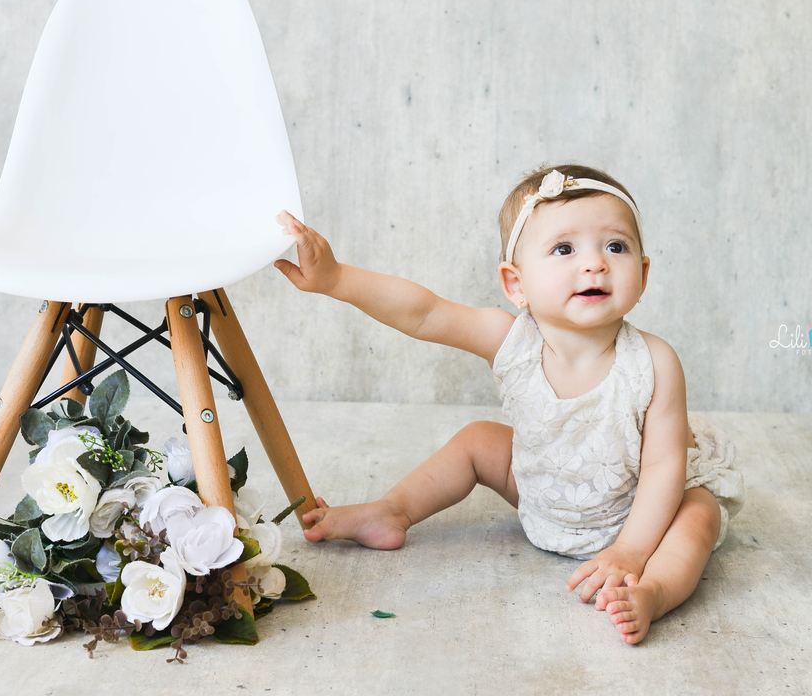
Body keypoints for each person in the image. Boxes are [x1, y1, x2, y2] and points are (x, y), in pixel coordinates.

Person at [272, 164, 744, 644]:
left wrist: (632, 550)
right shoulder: (511, 340)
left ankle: (656, 592)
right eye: (565, 249)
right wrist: (335, 279)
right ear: (515, 283)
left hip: (639, 512)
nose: (595, 263)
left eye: (615, 246)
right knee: (479, 440)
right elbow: (424, 313)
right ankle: (392, 510)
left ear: (642, 274)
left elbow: (664, 466)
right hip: (544, 496)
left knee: (698, 513)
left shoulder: (655, 362)